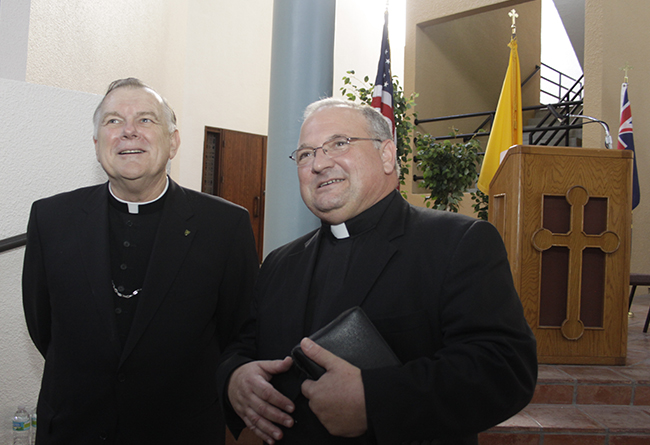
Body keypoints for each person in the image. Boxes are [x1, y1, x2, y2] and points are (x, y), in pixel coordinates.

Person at [217, 98, 538, 445]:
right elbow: (241, 348)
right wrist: (235, 378)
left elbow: (504, 369)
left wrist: (375, 400)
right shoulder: (280, 262)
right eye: (306, 154)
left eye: (339, 144)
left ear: (387, 155)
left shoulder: (458, 242)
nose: (320, 163)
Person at [22, 78, 259, 444]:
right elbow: (44, 327)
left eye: (146, 120)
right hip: (74, 428)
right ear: (97, 143)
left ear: (173, 142)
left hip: (178, 431)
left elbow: (239, 333)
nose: (129, 132)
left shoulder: (225, 226)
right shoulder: (51, 218)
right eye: (113, 121)